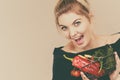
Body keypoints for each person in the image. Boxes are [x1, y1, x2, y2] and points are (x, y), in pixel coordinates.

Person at [52, 0, 120, 80]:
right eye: (64, 28)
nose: (72, 33)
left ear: (90, 18)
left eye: (77, 23)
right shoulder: (62, 58)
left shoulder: (117, 44)